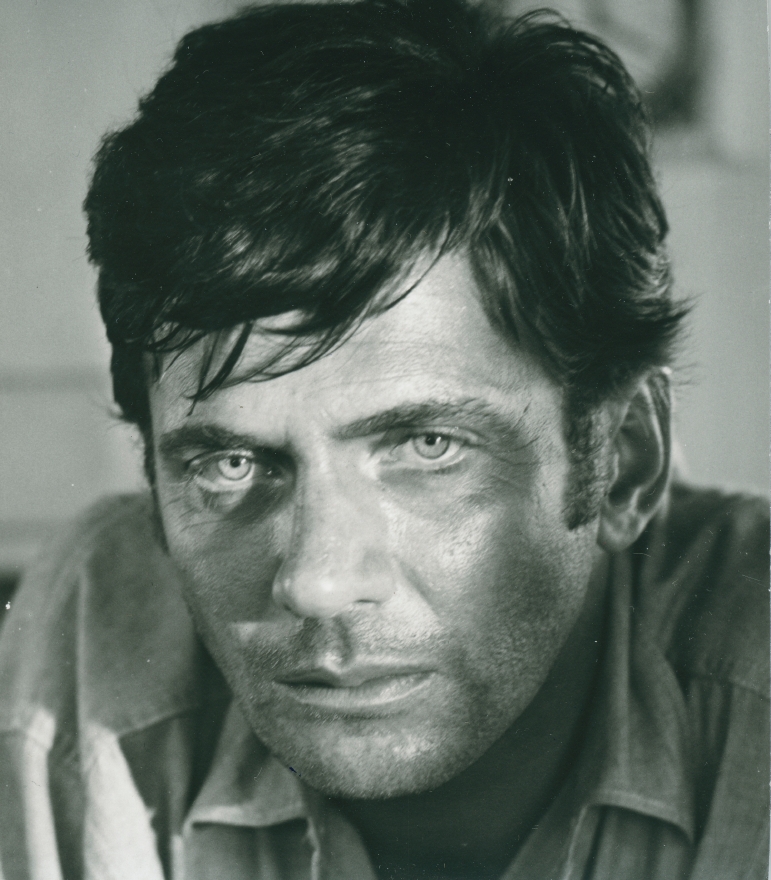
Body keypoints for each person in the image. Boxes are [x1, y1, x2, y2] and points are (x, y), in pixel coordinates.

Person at [0, 1, 767, 878]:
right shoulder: (100, 633)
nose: (318, 581)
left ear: (623, 461)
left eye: (427, 447)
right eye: (231, 463)